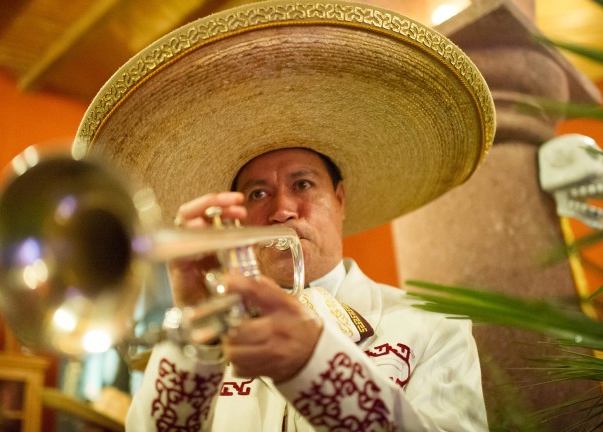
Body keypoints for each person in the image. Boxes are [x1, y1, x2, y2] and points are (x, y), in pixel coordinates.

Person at [71, 1, 496, 430]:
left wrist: (313, 366)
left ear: (341, 199)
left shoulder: (433, 326)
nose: (282, 210)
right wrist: (197, 339)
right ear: (235, 223)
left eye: (303, 184)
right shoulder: (199, 339)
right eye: (257, 193)